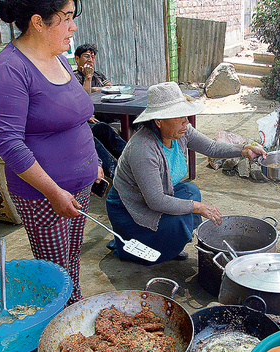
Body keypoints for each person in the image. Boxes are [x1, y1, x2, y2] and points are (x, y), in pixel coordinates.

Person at [0, 0, 104, 305]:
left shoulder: (60, 59)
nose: (73, 27)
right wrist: (53, 192)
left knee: (72, 258)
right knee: (56, 270)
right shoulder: (10, 69)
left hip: (79, 186)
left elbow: (77, 118)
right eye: (66, 18)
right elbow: (9, 144)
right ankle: (60, 326)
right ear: (38, 22)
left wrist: (95, 162)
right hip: (43, 196)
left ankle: (74, 308)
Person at [105, 81, 267, 264]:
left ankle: (169, 245)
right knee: (180, 222)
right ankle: (130, 246)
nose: (186, 122)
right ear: (158, 121)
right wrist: (199, 207)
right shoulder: (143, 148)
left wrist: (244, 150)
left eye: (185, 115)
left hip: (155, 198)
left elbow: (211, 147)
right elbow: (156, 201)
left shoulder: (182, 131)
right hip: (130, 208)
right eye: (178, 116)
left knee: (191, 192)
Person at [73, 43, 127, 179]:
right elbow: (83, 96)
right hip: (85, 117)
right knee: (92, 135)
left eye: (92, 57)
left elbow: (111, 88)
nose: (90, 60)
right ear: (76, 59)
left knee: (104, 127)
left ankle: (133, 161)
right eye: (86, 56)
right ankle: (116, 176)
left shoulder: (97, 74)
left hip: (99, 114)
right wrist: (88, 78)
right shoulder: (74, 77)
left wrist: (95, 87)